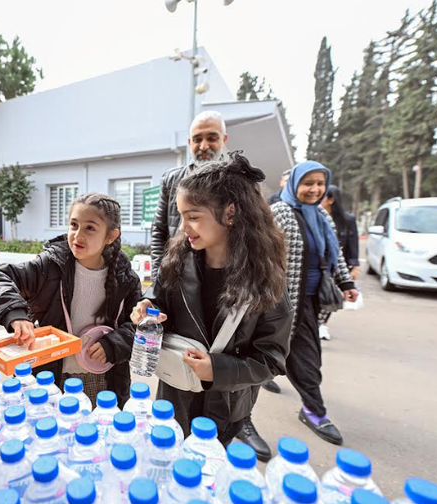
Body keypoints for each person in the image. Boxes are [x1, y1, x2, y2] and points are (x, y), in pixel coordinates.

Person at [130, 153, 293, 445]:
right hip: (173, 393)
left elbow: (272, 359)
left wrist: (217, 369)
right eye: (181, 217)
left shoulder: (266, 280)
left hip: (226, 407)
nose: (183, 228)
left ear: (230, 213)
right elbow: (159, 301)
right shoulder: (177, 260)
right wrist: (147, 309)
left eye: (193, 217)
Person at [0, 193, 143, 407]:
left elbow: (139, 326)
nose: (78, 235)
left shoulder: (126, 278)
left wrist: (114, 345)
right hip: (49, 378)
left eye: (90, 228)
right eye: (74, 225)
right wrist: (15, 314)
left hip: (103, 380)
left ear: (110, 236)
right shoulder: (49, 267)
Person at [258, 161, 359, 447]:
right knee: (305, 357)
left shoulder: (321, 217)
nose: (314, 189)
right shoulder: (281, 213)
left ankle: (268, 376)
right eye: (308, 183)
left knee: (292, 352)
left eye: (319, 183)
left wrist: (346, 283)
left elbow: (335, 253)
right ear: (294, 185)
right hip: (284, 301)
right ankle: (315, 411)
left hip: (312, 300)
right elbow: (263, 257)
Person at [150, 110, 228, 278]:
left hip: (224, 279)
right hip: (179, 277)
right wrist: (158, 276)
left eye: (212, 138)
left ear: (224, 139)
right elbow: (159, 231)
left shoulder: (236, 182)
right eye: (197, 139)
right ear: (189, 142)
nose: (204, 146)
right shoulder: (172, 179)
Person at [317, 185, 360, 340]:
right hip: (322, 263)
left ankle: (322, 324)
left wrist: (355, 266)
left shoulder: (347, 220)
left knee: (332, 293)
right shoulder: (314, 216)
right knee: (320, 294)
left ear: (331, 200)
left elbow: (353, 242)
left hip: (338, 264)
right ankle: (318, 322)